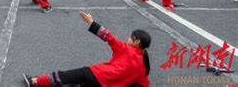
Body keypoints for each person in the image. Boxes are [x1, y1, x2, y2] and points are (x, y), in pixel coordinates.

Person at [23, 12, 151, 87]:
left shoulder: (126, 48)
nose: (128, 39)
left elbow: (109, 37)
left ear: (137, 42)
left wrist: (91, 22)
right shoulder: (143, 66)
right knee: (77, 82)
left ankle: (34, 81)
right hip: (106, 84)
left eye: (131, 37)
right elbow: (144, 84)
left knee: (64, 76)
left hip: (99, 75)